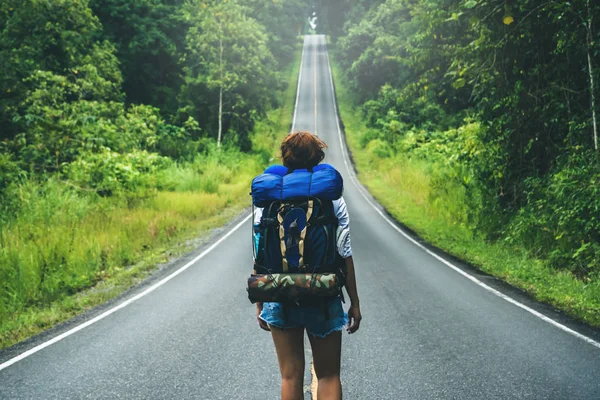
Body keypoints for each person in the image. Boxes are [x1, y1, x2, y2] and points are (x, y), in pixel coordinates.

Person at [253, 131, 362, 400]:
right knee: (328, 375)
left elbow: (260, 253)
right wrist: (354, 303)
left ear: (285, 159)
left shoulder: (267, 200)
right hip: (322, 293)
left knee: (290, 376)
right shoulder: (332, 199)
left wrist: (260, 302)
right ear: (319, 158)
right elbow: (344, 252)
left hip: (279, 292)